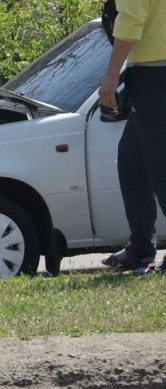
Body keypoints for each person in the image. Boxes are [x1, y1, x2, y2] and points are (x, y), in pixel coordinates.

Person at [99, 0, 166, 274]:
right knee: (132, 159)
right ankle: (140, 248)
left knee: (161, 164)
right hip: (154, 69)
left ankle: (142, 249)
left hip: (154, 71)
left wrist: (111, 76)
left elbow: (131, 19)